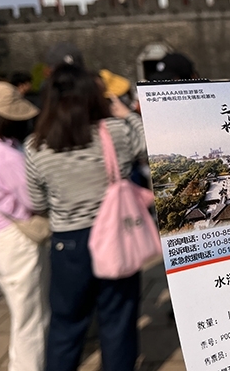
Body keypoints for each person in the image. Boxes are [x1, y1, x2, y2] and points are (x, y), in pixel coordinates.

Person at [24, 63, 147, 371]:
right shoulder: (115, 132)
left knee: (66, 325)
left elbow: (37, 203)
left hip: (68, 244)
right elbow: (149, 146)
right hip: (116, 235)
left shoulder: (35, 145)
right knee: (117, 321)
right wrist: (127, 114)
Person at [0, 81, 50, 371]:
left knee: (22, 314)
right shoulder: (4, 154)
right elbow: (33, 198)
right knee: (31, 320)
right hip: (17, 241)